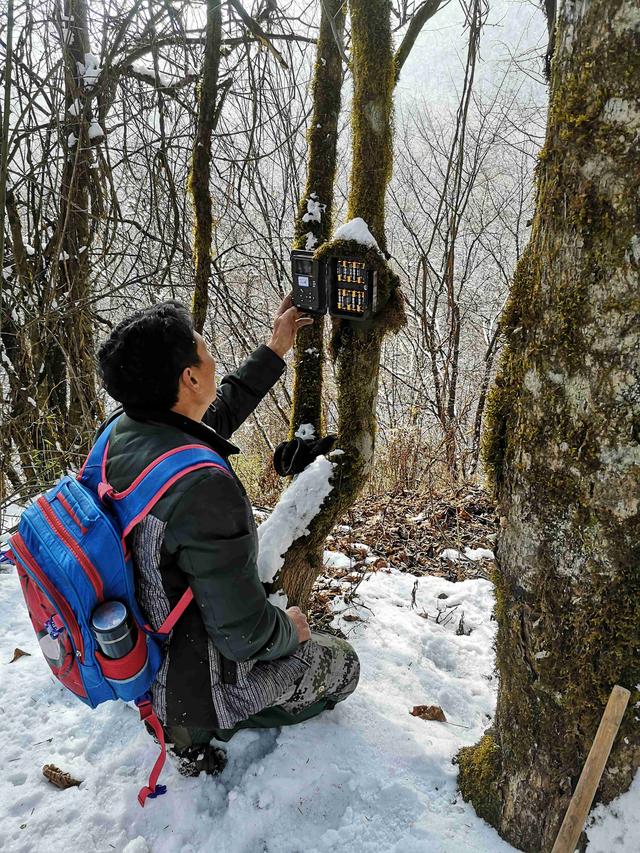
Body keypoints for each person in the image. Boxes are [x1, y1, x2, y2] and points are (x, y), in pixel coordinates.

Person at [96, 296, 360, 774]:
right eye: (203, 346)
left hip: (145, 648)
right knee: (342, 664)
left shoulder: (121, 432)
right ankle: (197, 731)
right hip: (195, 685)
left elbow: (209, 421)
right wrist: (290, 629)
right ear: (190, 379)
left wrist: (274, 349)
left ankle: (182, 717)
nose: (210, 352)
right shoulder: (204, 490)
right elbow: (245, 636)